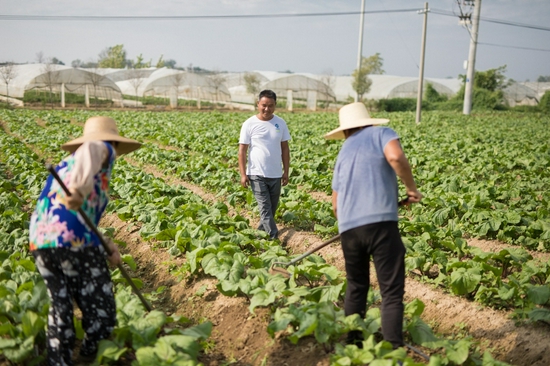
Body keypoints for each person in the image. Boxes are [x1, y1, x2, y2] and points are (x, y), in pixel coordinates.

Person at [29, 116, 141, 365]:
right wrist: (78, 189)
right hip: (74, 242)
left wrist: (107, 245)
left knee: (60, 307)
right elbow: (93, 148)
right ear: (114, 142)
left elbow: (81, 216)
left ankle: (59, 361)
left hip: (42, 240)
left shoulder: (67, 164)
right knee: (101, 308)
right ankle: (92, 354)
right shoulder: (102, 148)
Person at [325, 102, 422, 349]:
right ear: (368, 121)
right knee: (390, 292)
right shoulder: (381, 134)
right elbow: (395, 156)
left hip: (349, 229)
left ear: (345, 130)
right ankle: (393, 350)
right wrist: (411, 188)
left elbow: (336, 205)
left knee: (356, 286)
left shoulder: (344, 151)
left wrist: (352, 224)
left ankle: (353, 346)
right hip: (381, 225)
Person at [238, 89, 291, 239]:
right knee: (265, 210)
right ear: (258, 104)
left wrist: (286, 171)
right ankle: (274, 239)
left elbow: (285, 148)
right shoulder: (249, 124)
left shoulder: (280, 123)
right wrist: (243, 174)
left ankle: (259, 238)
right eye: (264, 105)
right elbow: (242, 150)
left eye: (270, 105)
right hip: (256, 173)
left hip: (275, 173)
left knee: (270, 211)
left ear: (275, 105)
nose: (267, 109)